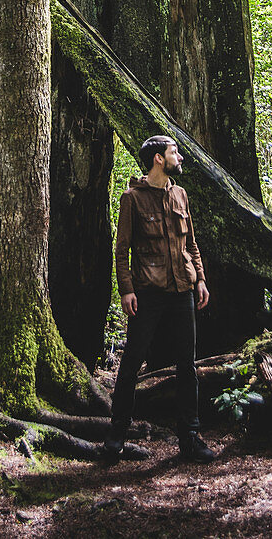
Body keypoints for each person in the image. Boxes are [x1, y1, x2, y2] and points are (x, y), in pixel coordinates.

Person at [103, 135, 215, 463]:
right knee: (130, 364)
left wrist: (201, 281)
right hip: (148, 294)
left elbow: (190, 244)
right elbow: (121, 249)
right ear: (157, 159)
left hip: (183, 291)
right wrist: (126, 290)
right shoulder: (132, 199)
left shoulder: (180, 194)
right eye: (174, 152)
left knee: (187, 366)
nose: (179, 157)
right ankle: (116, 435)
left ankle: (190, 438)